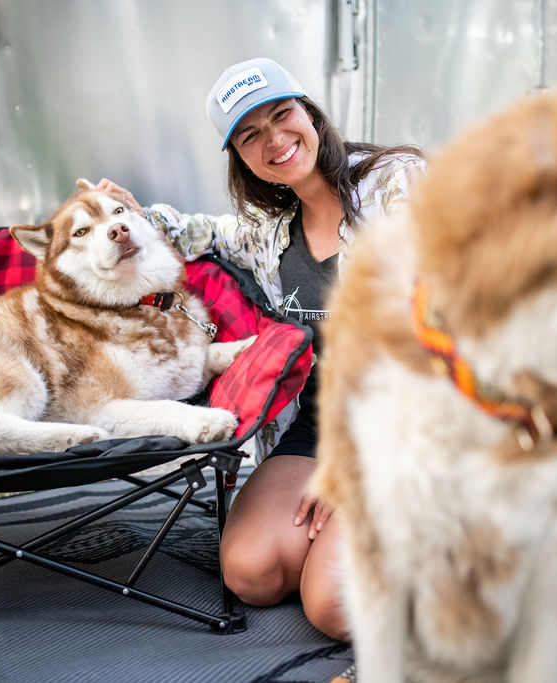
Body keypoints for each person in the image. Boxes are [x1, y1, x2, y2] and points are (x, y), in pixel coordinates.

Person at [98, 57, 424, 641]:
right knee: (253, 572)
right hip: (314, 430)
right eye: (250, 134)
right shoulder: (269, 228)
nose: (275, 140)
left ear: (311, 115)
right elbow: (200, 233)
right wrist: (130, 214)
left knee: (334, 606)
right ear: (240, 156)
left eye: (283, 115)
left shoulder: (395, 183)